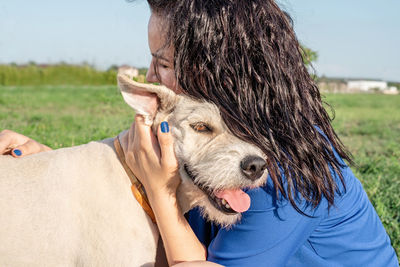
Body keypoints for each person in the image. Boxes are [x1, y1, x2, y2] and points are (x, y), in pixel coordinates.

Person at [1, 0, 398, 266]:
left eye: (164, 63)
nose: (153, 77)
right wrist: (53, 166)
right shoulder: (223, 132)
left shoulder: (284, 166)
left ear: (219, 65)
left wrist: (161, 191)